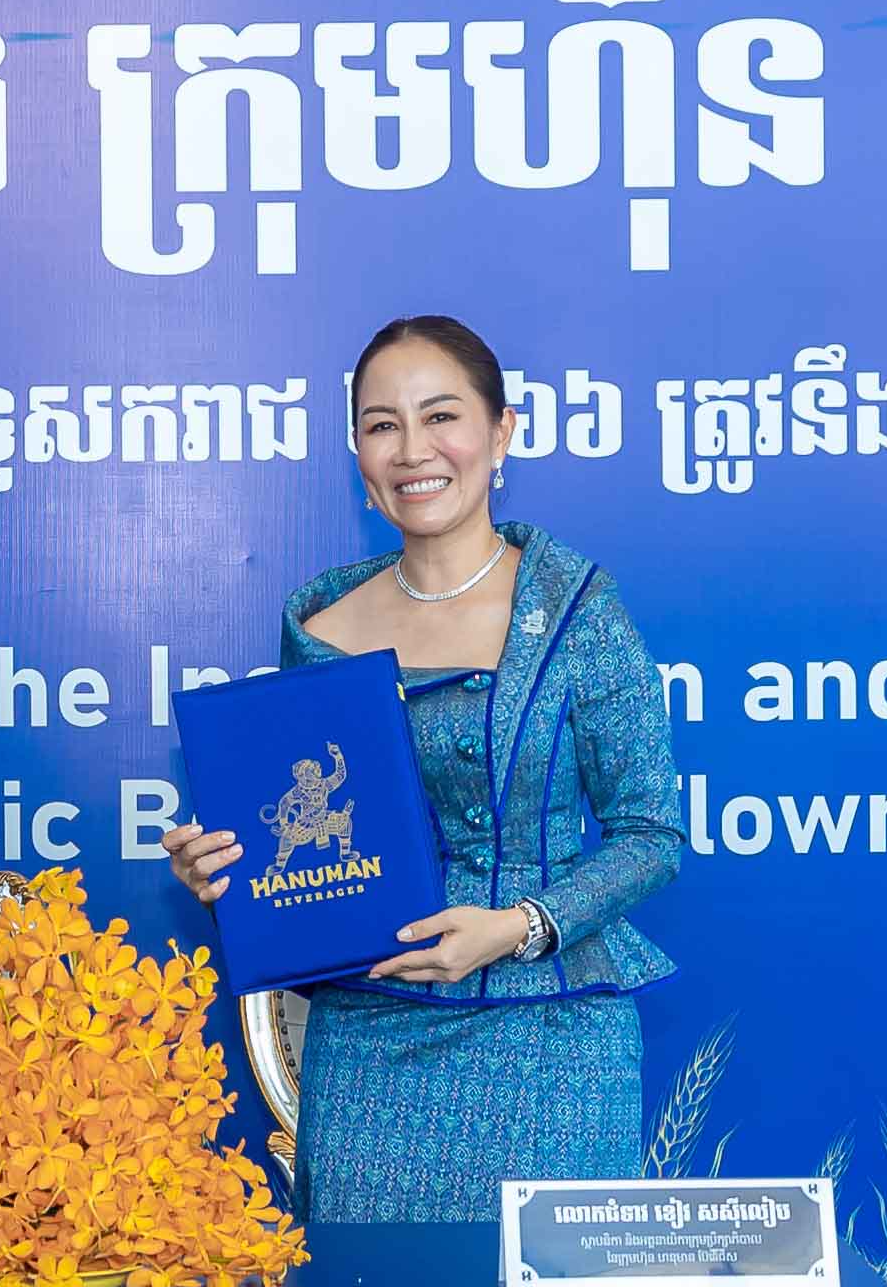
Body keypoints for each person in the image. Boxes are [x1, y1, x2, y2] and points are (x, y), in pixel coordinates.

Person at [163, 313, 684, 1221]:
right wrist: (225, 873)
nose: (413, 450)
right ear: (359, 456)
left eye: (441, 416)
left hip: (550, 1044)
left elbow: (652, 834)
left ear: (501, 432)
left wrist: (517, 927)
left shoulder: (577, 609)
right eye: (382, 424)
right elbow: (318, 853)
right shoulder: (318, 630)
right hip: (369, 1048)